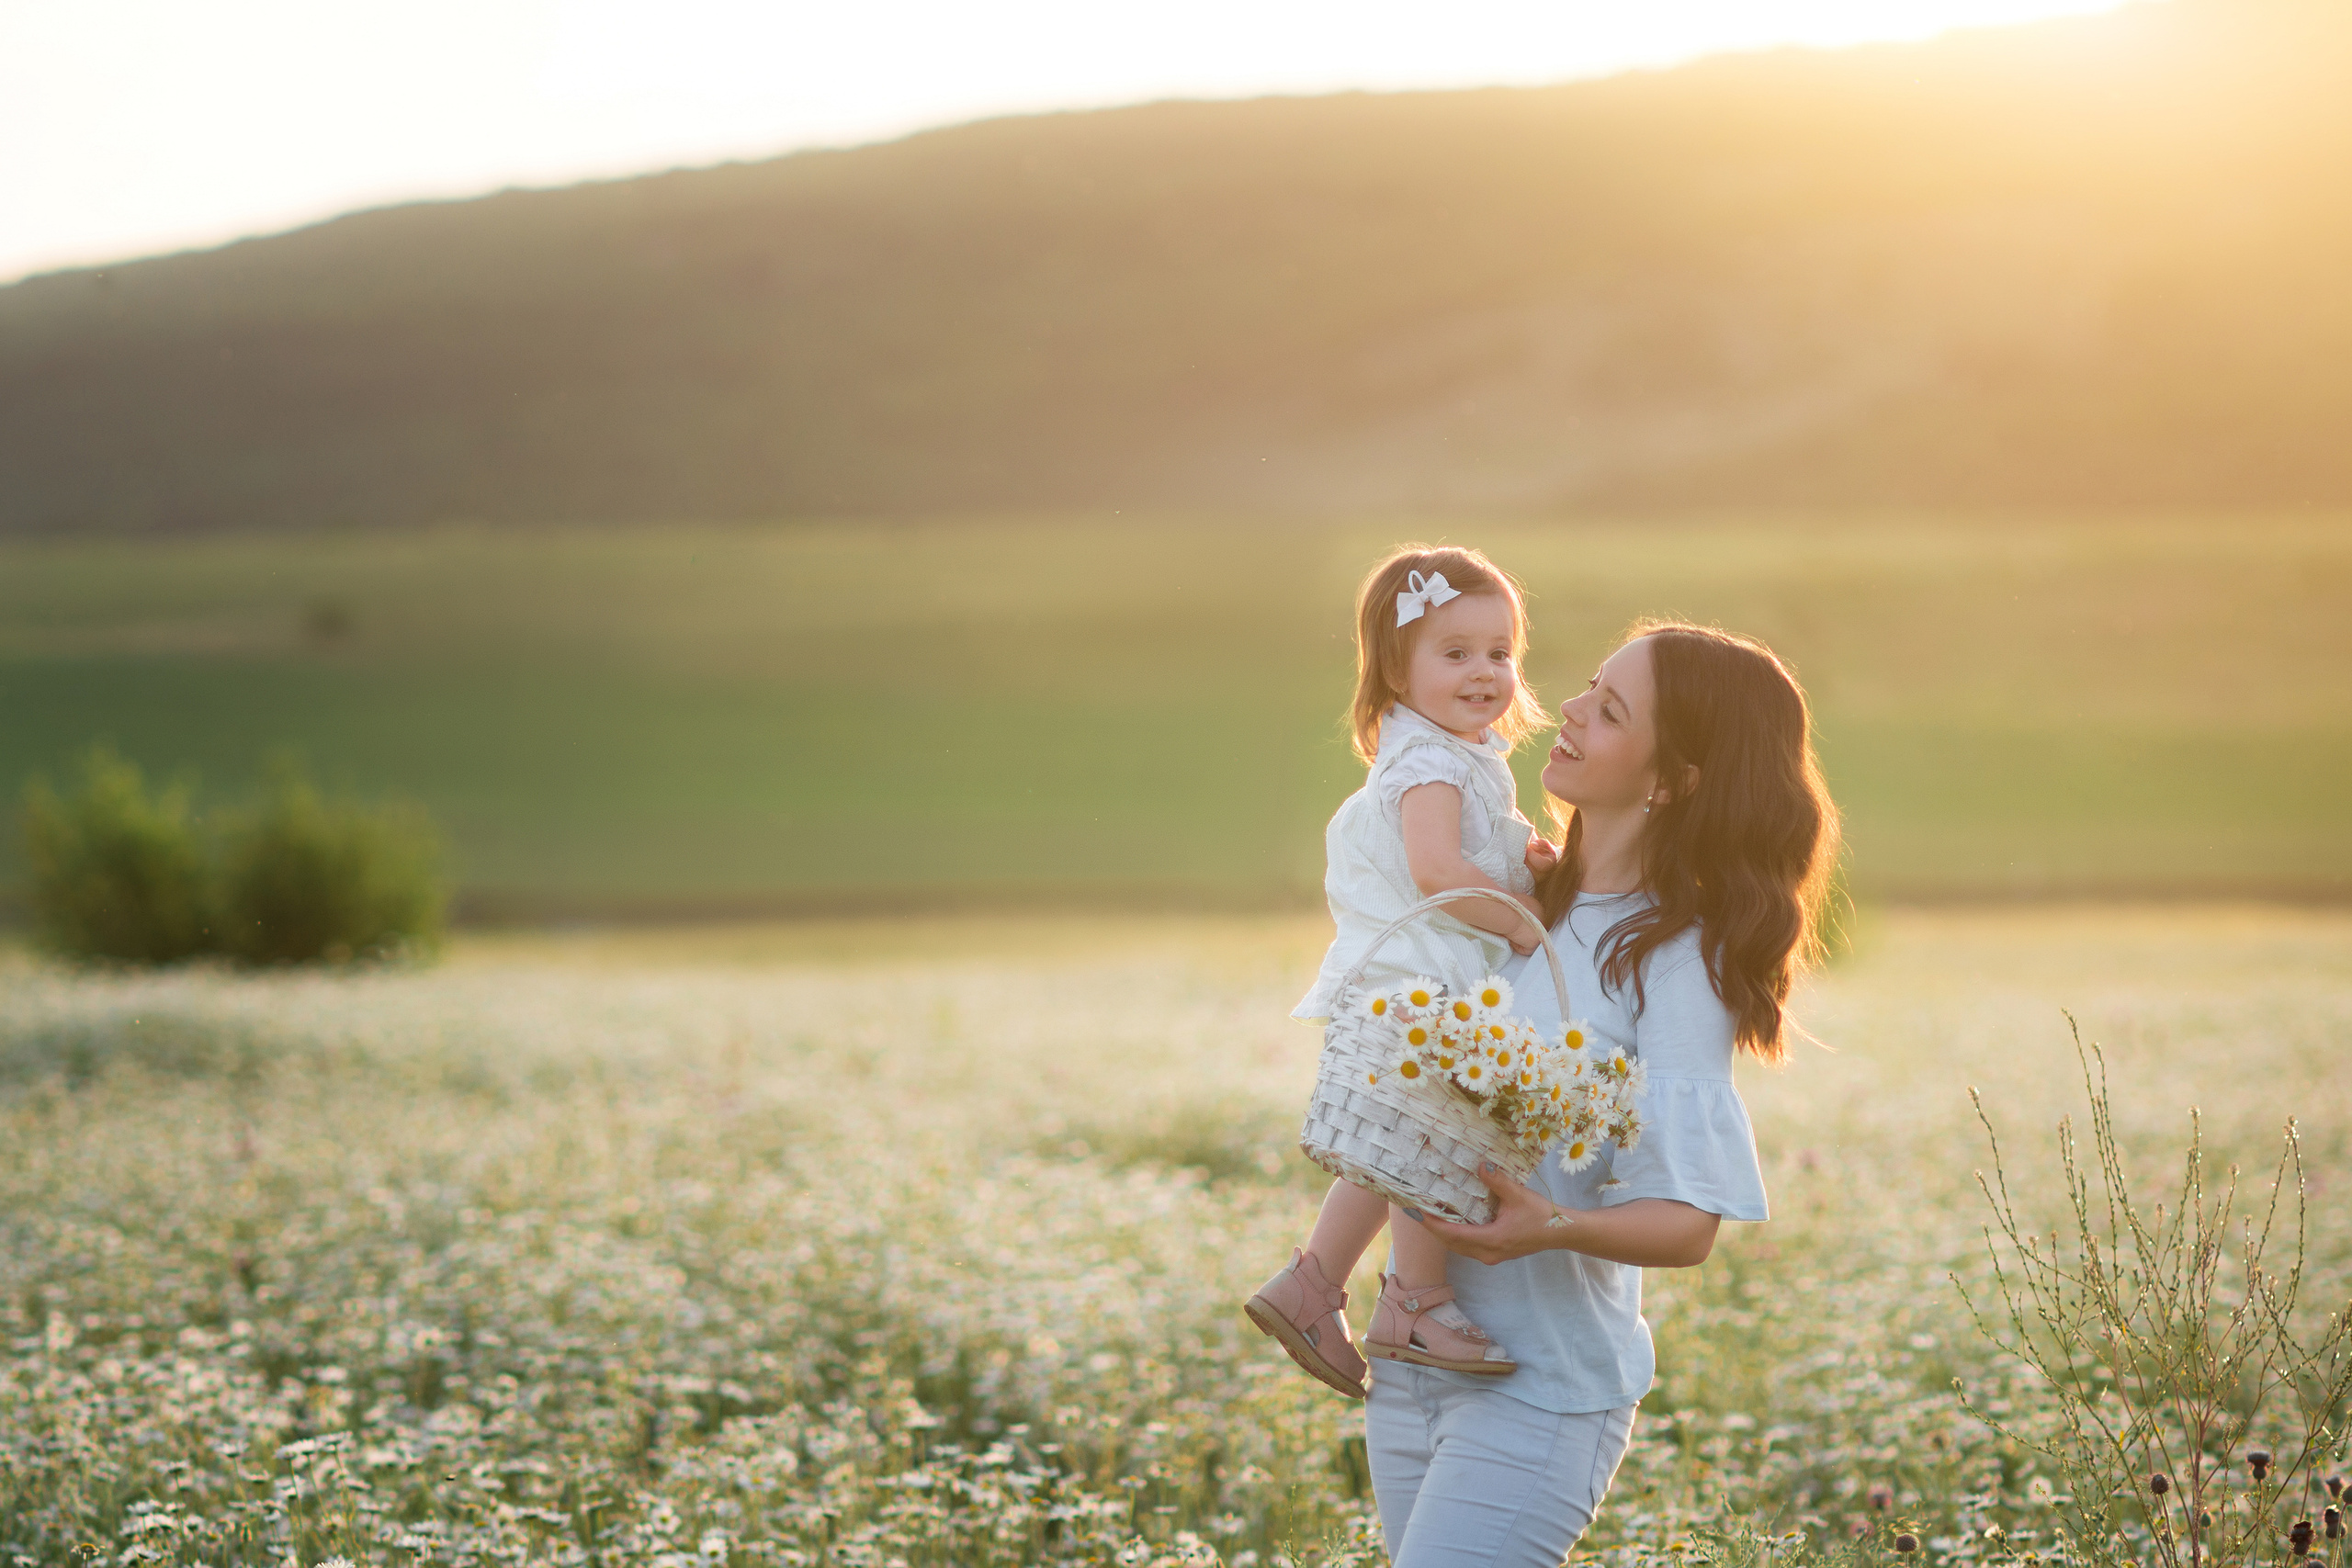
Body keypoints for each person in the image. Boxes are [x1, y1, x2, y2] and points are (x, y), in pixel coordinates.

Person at [1364, 621, 1841, 1568]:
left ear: (1673, 781)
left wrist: (1548, 1226)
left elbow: (1688, 1225)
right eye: (1590, 685)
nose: (1569, 710)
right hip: (1416, 1362)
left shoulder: (1675, 960)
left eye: (1612, 711)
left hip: (1537, 1390)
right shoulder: (1515, 896)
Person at [1244, 544, 1559, 1397]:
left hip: (1415, 972)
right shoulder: (1430, 762)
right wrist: (1524, 921)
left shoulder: (1452, 750)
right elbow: (1437, 870)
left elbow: (1465, 855)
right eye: (1455, 653)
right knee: (1430, 1135)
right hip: (1425, 974)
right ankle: (1414, 1299)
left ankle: (1313, 1282)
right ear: (1396, 668)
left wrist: (1523, 858)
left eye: (1500, 652)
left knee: (1395, 1140)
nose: (1484, 672)